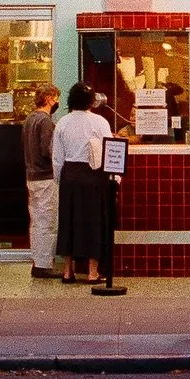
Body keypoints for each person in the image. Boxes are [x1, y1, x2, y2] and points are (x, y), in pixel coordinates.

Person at [51, 81, 111, 284]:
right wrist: (115, 178)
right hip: (93, 175)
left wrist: (60, 179)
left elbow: (57, 157)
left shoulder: (63, 123)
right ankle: (93, 272)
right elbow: (109, 150)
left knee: (68, 221)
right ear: (91, 101)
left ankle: (68, 271)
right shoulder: (100, 122)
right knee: (94, 222)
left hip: (70, 175)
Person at [22, 86, 60, 280]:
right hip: (45, 177)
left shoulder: (29, 119)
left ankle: (37, 260)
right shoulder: (45, 121)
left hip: (32, 176)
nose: (57, 102)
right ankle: (44, 264)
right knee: (48, 222)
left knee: (36, 221)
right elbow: (48, 150)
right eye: (56, 98)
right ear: (48, 98)